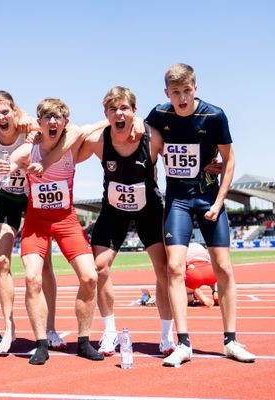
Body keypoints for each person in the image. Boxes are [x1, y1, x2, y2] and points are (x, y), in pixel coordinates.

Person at [146, 63, 255, 366]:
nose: (181, 98)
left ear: (195, 88)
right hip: (178, 200)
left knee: (223, 267)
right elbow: (148, 146)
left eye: (186, 91)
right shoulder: (158, 115)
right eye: (175, 92)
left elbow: (230, 160)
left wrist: (220, 202)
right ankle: (183, 344)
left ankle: (231, 340)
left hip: (209, 198)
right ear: (166, 92)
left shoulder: (214, 115)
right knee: (175, 269)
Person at [0, 90, 101, 352]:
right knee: (32, 277)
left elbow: (94, 126)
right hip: (35, 219)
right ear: (39, 122)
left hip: (66, 219)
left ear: (65, 122)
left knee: (90, 277)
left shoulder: (73, 142)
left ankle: (82, 341)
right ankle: (38, 341)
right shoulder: (26, 149)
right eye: (47, 118)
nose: (53, 123)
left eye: (58, 118)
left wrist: (136, 121)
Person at [64, 87, 176, 357]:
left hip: (149, 208)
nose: (119, 114)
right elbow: (69, 154)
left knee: (163, 270)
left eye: (124, 108)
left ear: (134, 111)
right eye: (113, 109)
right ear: (106, 114)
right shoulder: (99, 141)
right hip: (114, 209)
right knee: (100, 268)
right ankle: (110, 331)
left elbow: (179, 161)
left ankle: (166, 336)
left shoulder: (153, 138)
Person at [185, 242, 219, 307]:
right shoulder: (203, 250)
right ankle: (216, 292)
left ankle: (194, 296)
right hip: (209, 270)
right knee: (216, 278)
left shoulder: (182, 249)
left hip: (193, 272)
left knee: (177, 294)